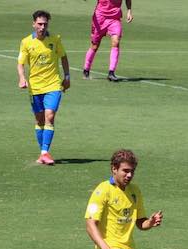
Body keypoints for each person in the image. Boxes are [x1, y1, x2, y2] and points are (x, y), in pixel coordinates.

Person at [17, 10, 70, 166]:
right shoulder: (26, 42)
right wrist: (22, 78)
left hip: (53, 84)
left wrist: (67, 77)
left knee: (50, 116)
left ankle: (45, 152)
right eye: (39, 24)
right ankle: (43, 152)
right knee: (39, 119)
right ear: (33, 24)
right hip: (35, 87)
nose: (42, 27)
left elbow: (64, 57)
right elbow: (20, 63)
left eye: (45, 24)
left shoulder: (55, 40)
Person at [82, 0, 133, 82]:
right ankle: (86, 70)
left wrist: (129, 11)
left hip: (114, 18)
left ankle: (111, 72)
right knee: (94, 46)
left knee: (116, 42)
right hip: (100, 18)